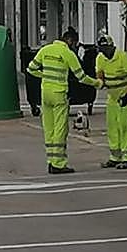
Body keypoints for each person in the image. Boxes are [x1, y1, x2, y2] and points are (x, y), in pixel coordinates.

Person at [27, 28, 100, 174]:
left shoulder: (45, 50)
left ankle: (50, 161)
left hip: (45, 94)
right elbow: (81, 77)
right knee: (60, 129)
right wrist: (97, 83)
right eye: (74, 43)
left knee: (49, 128)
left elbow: (31, 69)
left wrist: (45, 75)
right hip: (59, 94)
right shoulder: (68, 53)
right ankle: (59, 164)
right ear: (70, 41)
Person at [94, 33, 127, 169]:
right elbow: (100, 74)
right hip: (112, 96)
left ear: (111, 46)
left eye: (105, 49)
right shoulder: (100, 58)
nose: (104, 52)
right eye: (101, 49)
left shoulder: (122, 56)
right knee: (112, 125)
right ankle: (115, 156)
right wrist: (99, 82)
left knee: (125, 125)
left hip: (125, 94)